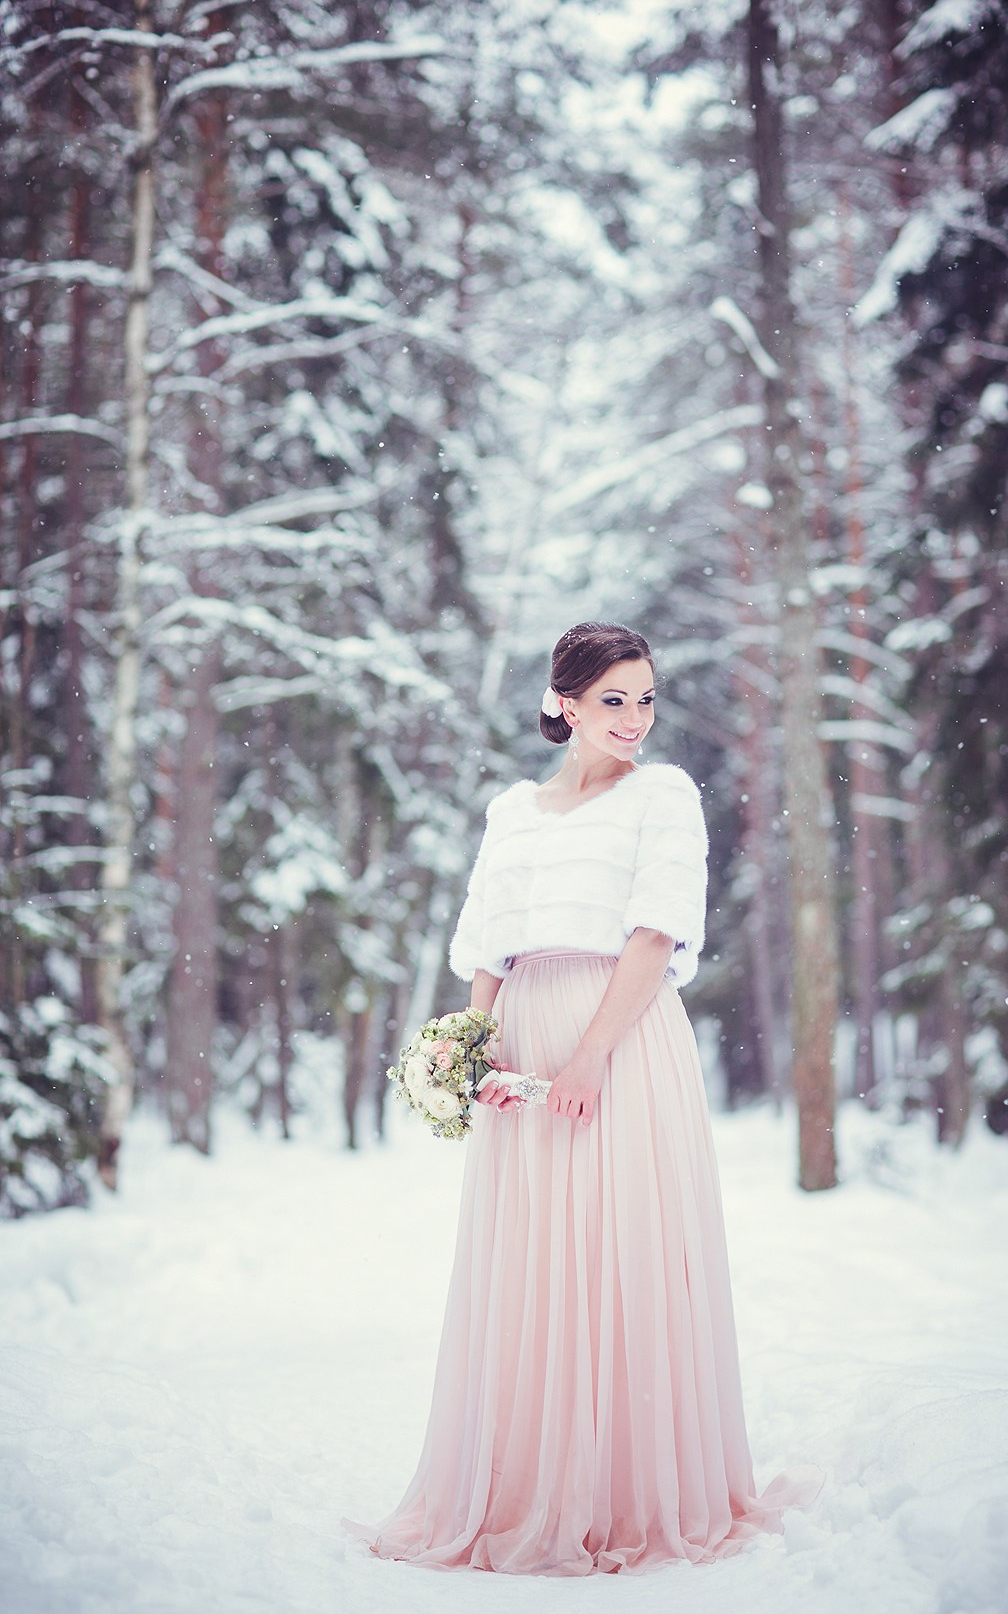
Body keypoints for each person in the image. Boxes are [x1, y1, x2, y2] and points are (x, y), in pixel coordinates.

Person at [346, 621, 820, 1575]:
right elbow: (489, 946)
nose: (634, 718)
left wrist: (591, 1058)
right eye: (613, 700)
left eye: (645, 698)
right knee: (531, 1259)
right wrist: (472, 1048)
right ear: (563, 704)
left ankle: (627, 1492)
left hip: (624, 1037)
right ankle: (528, 1484)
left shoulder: (663, 798)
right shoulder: (512, 813)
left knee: (621, 1245)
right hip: (525, 1039)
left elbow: (655, 934)